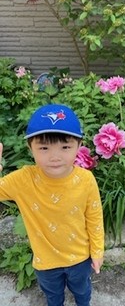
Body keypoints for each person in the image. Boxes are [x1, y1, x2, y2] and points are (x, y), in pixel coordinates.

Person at [0, 104, 104, 306]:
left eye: (65, 147)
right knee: (53, 298)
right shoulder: (23, 180)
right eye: (44, 148)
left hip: (80, 259)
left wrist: (97, 251)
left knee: (83, 292)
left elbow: (94, 217)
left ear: (78, 145)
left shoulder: (86, 180)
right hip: (45, 262)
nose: (55, 157)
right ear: (30, 148)